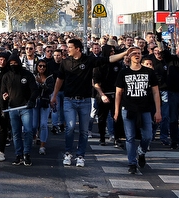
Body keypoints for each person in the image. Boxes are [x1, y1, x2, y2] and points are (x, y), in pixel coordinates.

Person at [51, 39, 127, 167]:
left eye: (70, 47)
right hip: (69, 100)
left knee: (84, 131)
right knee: (70, 127)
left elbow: (109, 59)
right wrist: (54, 95)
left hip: (85, 100)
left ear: (78, 49)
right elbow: (59, 79)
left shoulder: (88, 60)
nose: (67, 49)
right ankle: (68, 152)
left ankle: (80, 155)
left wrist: (125, 53)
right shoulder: (65, 62)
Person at [116, 47, 162, 174]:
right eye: (134, 53)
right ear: (129, 57)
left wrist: (158, 111)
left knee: (147, 136)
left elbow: (156, 92)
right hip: (128, 108)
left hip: (145, 109)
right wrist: (116, 111)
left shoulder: (149, 72)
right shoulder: (124, 73)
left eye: (139, 53)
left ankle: (141, 151)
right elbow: (119, 93)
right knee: (130, 137)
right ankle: (132, 163)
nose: (137, 55)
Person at [1, 54, 38, 166]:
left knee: (28, 131)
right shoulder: (6, 76)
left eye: (15, 63)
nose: (13, 65)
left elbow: (35, 90)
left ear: (19, 63)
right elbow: (3, 92)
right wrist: (4, 99)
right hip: (12, 108)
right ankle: (18, 155)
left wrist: (31, 100)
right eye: (11, 63)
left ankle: (27, 154)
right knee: (16, 133)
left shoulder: (27, 75)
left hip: (25, 107)